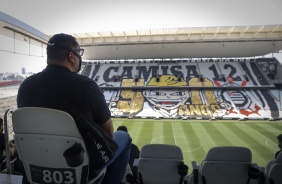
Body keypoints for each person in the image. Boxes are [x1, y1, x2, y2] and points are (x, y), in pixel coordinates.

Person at [17, 33, 131, 184]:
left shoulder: (26, 86)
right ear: (71, 56)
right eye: (79, 53)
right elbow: (109, 134)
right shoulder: (86, 86)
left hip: (36, 166)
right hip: (80, 164)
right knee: (124, 137)